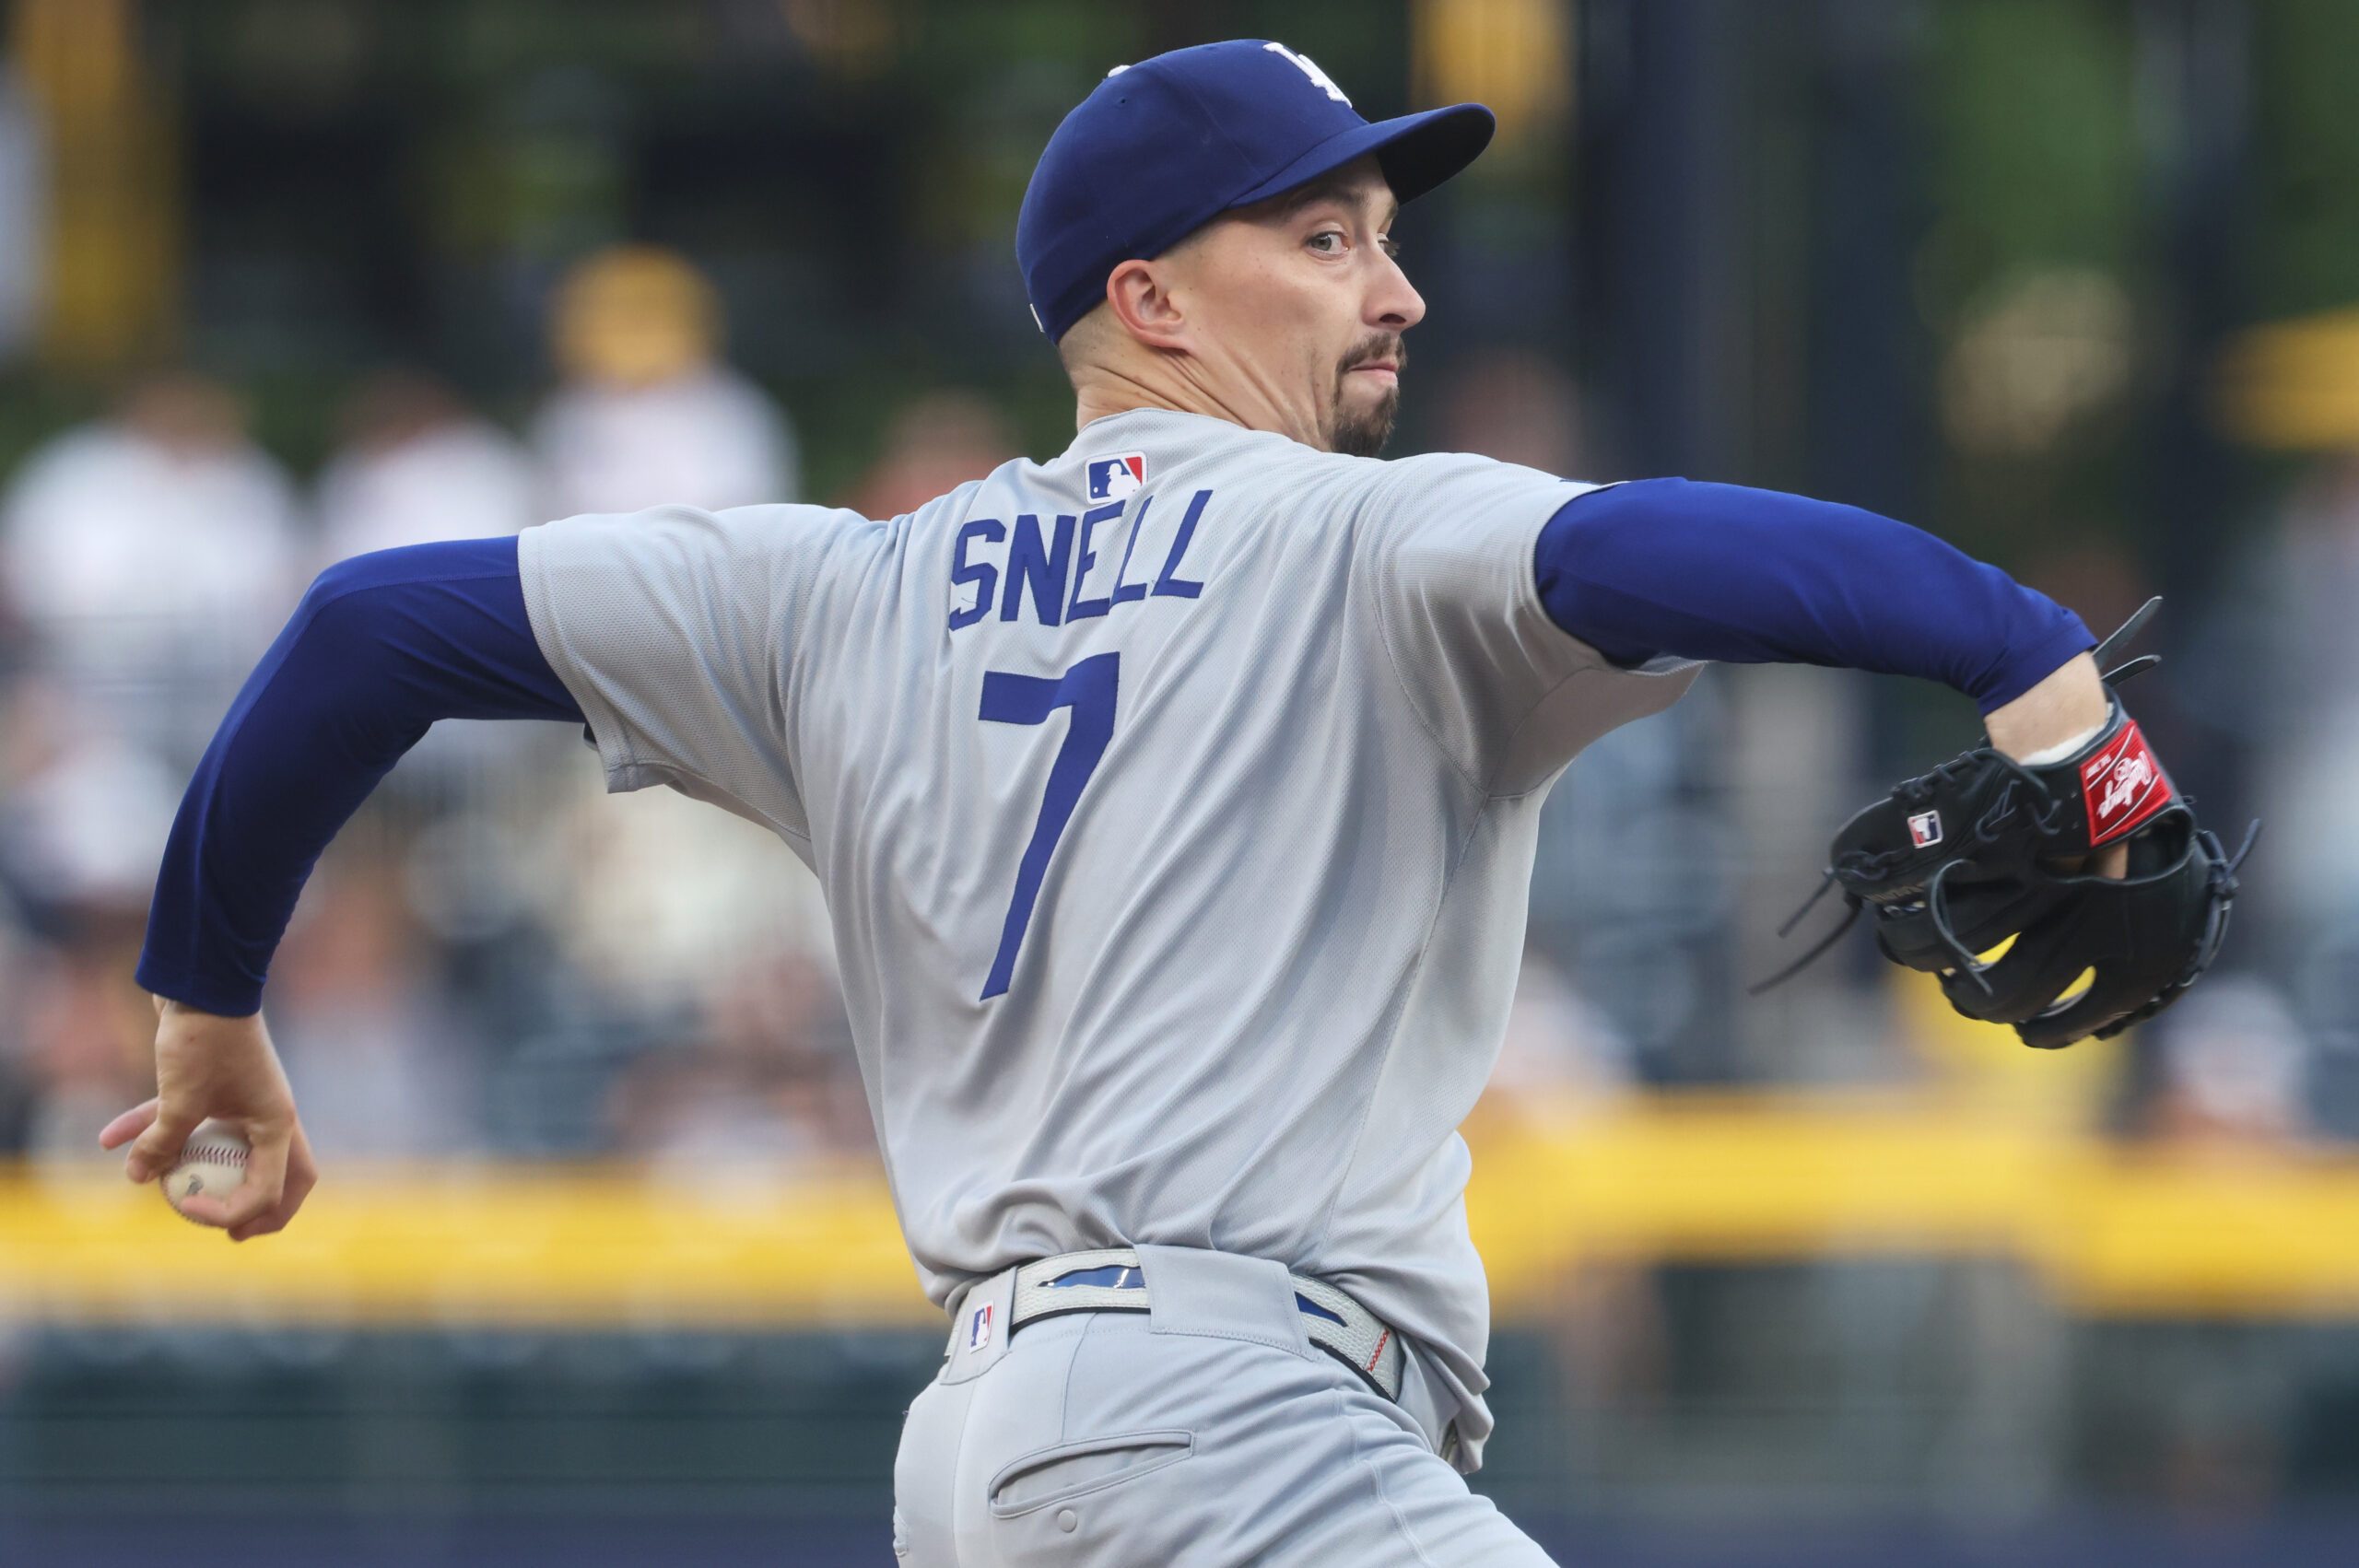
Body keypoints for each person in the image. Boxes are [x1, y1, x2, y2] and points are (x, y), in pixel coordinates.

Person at [109, 41, 2146, 1567]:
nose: (1396, 291)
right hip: (1240, 1420)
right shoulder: (1366, 542)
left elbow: (365, 629)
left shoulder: (836, 585)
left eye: (1386, 241)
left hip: (988, 1450)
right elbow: (1657, 550)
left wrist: (205, 1008)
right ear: (1152, 302)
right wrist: (2032, 662)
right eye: (1324, 238)